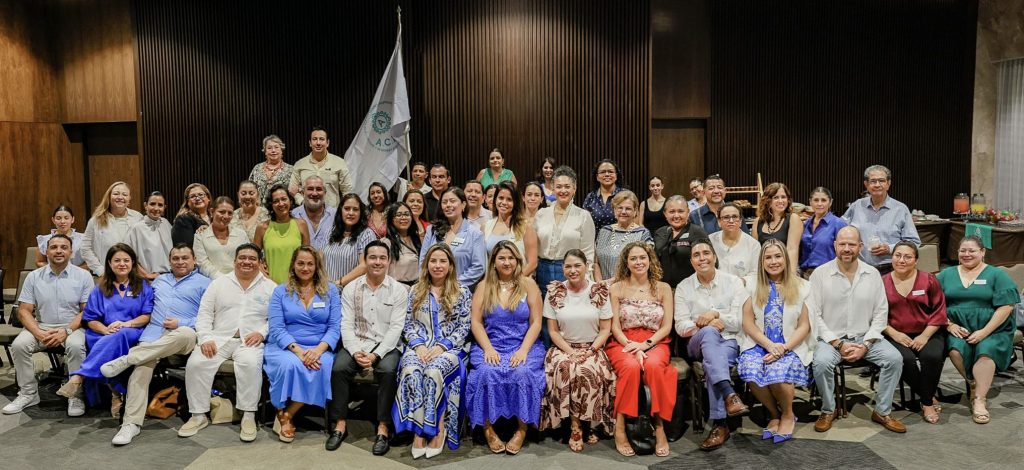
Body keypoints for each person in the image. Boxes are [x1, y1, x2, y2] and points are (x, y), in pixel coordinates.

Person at [101, 243, 211, 445]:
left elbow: (211, 316)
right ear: (169, 261)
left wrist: (182, 322)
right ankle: (130, 425)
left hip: (182, 337)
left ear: (194, 260)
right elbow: (141, 306)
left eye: (185, 258)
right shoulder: (160, 281)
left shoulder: (206, 283)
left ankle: (127, 359)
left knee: (184, 333)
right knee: (141, 370)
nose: (180, 262)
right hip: (153, 336)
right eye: (175, 258)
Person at [809, 226, 906, 433]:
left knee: (894, 359)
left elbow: (881, 313)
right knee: (821, 363)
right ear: (835, 245)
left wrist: (866, 345)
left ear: (860, 246)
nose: (847, 248)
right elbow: (814, 315)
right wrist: (838, 343)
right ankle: (828, 409)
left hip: (865, 337)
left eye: (851, 244)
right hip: (831, 339)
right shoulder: (820, 274)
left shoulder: (872, 274)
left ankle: (882, 411)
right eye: (842, 244)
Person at [179, 244, 275, 442]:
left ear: (260, 262)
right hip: (218, 338)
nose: (246, 262)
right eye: (242, 257)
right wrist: (205, 338)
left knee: (250, 364)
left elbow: (275, 318)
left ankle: (248, 415)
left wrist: (262, 333)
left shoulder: (270, 287)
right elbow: (204, 314)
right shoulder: (219, 283)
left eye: (252, 258)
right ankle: (198, 415)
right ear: (235, 261)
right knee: (196, 363)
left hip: (249, 341)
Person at [393, 244, 472, 459]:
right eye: (433, 261)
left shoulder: (462, 292)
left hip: (451, 349)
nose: (438, 265)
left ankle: (438, 429)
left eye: (442, 261)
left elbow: (464, 326)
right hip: (418, 346)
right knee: (411, 369)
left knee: (434, 371)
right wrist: (419, 345)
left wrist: (441, 346)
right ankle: (418, 432)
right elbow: (407, 324)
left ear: (450, 266)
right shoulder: (415, 290)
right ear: (426, 265)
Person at [57, 244, 154, 418]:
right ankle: (116, 392)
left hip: (132, 331)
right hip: (102, 333)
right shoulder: (100, 288)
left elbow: (146, 316)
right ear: (109, 263)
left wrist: (126, 324)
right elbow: (90, 319)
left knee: (121, 335)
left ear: (133, 262)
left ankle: (80, 376)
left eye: (126, 260)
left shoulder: (143, 286)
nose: (122, 264)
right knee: (112, 340)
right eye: (117, 260)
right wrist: (104, 329)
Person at [331, 241, 410, 453]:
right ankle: (340, 424)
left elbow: (396, 328)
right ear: (365, 260)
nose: (377, 262)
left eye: (382, 258)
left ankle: (383, 427)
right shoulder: (351, 288)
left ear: (389, 261)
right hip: (358, 342)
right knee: (339, 368)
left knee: (388, 370)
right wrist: (355, 351)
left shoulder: (399, 290)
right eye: (372, 257)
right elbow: (346, 325)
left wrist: (376, 355)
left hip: (387, 345)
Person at [467, 241, 545, 455]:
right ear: (493, 262)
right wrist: (488, 349)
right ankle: (488, 429)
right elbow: (476, 322)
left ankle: (521, 429)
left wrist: (523, 351)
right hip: (491, 344)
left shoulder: (528, 285)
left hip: (522, 344)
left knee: (522, 372)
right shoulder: (484, 286)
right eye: (502, 258)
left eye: (511, 258)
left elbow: (536, 323)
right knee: (486, 372)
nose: (507, 262)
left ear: (518, 261)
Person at [3, 235, 94, 417]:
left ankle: (75, 394)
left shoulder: (84, 276)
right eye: (54, 247)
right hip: (42, 326)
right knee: (19, 345)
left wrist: (66, 331)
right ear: (46, 251)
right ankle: (28, 393)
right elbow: (24, 311)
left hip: (72, 327)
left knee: (76, 346)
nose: (59, 251)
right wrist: (38, 333)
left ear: (71, 252)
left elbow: (86, 311)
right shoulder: (34, 277)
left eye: (63, 247)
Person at [674, 239, 751, 450]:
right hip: (696, 343)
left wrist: (716, 314)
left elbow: (740, 321)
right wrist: (705, 323)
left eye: (706, 253)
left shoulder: (733, 283)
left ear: (714, 257)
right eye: (696, 255)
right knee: (709, 333)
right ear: (691, 262)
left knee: (714, 362)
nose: (702, 258)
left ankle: (720, 424)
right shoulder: (683, 287)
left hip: (729, 341)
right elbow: (681, 326)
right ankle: (729, 393)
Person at [737, 239, 815, 444]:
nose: (773, 262)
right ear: (761, 262)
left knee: (779, 372)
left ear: (786, 259)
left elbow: (804, 326)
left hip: (790, 344)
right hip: (759, 343)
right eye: (768, 257)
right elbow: (747, 322)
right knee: (750, 369)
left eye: (778, 256)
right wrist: (769, 345)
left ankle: (788, 414)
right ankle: (774, 413)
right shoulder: (751, 285)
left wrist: (783, 348)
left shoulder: (804, 286)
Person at [539, 249, 615, 452]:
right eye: (568, 266)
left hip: (593, 347)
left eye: (577, 265)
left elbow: (605, 330)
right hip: (563, 347)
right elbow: (553, 332)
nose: (572, 270)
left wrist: (590, 351)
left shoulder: (599, 291)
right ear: (563, 268)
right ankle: (575, 425)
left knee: (586, 370)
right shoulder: (555, 291)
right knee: (567, 368)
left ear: (586, 267)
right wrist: (571, 353)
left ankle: (591, 423)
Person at [939, 236, 1020, 425]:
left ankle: (979, 400)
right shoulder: (945, 275)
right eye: (963, 251)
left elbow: (1007, 306)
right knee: (955, 350)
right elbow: (934, 304)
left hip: (994, 328)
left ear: (982, 252)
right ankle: (973, 382)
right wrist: (949, 324)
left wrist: (984, 332)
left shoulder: (996, 275)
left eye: (972, 250)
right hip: (957, 327)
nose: (966, 254)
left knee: (986, 351)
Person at [265, 246, 341, 443]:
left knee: (321, 365)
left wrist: (318, 350)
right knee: (289, 364)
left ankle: (286, 414)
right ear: (293, 265)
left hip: (319, 346)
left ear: (317, 266)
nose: (305, 268)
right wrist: (299, 352)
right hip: (285, 345)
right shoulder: (280, 291)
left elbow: (334, 327)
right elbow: (277, 328)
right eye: (300, 263)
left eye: (310, 264)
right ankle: (280, 407)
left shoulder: (331, 290)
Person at [606, 242, 676, 457]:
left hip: (655, 341)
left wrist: (645, 345)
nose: (639, 262)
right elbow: (614, 326)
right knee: (630, 367)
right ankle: (619, 427)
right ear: (626, 263)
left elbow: (667, 326)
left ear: (650, 260)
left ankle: (660, 426)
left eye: (642, 257)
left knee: (653, 366)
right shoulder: (616, 288)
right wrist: (632, 347)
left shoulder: (663, 288)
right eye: (633, 258)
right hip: (623, 341)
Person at [882, 241, 948, 424]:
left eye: (908, 257)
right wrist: (894, 334)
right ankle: (928, 398)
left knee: (932, 356)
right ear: (892, 258)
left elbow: (939, 311)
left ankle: (926, 402)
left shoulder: (929, 280)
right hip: (894, 334)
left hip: (928, 331)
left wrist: (925, 336)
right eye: (898, 255)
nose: (901, 260)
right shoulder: (881, 282)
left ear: (916, 260)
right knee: (904, 359)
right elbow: (875, 315)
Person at [842, 164, 921, 274]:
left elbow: (914, 242)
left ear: (888, 184)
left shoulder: (901, 209)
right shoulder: (857, 206)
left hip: (890, 269)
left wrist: (890, 248)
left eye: (882, 181)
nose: (877, 185)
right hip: (860, 268)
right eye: (873, 181)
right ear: (866, 184)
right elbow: (840, 229)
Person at [536, 167, 595, 300]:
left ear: (574, 189)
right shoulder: (541, 214)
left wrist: (585, 279)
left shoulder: (583, 216)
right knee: (545, 310)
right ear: (552, 189)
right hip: (542, 270)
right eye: (559, 187)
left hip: (571, 271)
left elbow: (588, 252)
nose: (563, 190)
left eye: (567, 187)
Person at [420, 187, 486, 288]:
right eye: (444, 202)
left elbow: (478, 267)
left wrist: (453, 285)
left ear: (463, 204)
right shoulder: (432, 230)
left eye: (452, 201)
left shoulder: (475, 234)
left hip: (460, 289)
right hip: (432, 288)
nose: (448, 205)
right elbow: (423, 261)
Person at [82, 181, 144, 276]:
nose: (120, 197)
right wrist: (100, 270)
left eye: (124, 194)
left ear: (129, 198)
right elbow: (85, 248)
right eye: (116, 194)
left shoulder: (138, 218)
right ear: (109, 196)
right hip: (105, 275)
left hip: (132, 275)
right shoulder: (96, 220)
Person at [254, 184, 310, 283]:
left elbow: (307, 257)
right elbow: (253, 256)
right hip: (270, 285)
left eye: (284, 199)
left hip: (297, 284)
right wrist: (261, 269)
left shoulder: (301, 225)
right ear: (271, 205)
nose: (281, 204)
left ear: (290, 201)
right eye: (276, 201)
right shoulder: (262, 228)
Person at [483, 181, 539, 277]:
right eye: (501, 198)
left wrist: (513, 282)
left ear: (515, 202)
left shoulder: (526, 227)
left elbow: (532, 263)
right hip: (492, 283)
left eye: (509, 199)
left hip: (518, 283)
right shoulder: (485, 226)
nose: (504, 202)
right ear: (495, 199)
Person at [288, 126, 354, 208]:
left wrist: (343, 210)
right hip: (305, 212)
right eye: (314, 139)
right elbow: (292, 189)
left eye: (322, 139)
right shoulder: (299, 164)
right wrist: (302, 202)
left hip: (332, 212)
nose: (318, 143)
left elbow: (347, 190)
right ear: (310, 143)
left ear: (327, 143)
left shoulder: (339, 163)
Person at [594, 190, 653, 281]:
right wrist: (600, 283)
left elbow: (642, 265)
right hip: (602, 286)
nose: (623, 212)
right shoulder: (604, 231)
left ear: (635, 211)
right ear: (614, 210)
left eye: (628, 208)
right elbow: (596, 262)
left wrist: (610, 283)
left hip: (629, 286)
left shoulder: (642, 233)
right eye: (620, 208)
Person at [654, 196, 709, 288]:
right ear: (665, 214)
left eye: (680, 211)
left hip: (690, 289)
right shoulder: (660, 232)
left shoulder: (697, 232)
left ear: (688, 212)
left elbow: (710, 263)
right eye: (672, 212)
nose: (676, 216)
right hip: (663, 289)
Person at [323, 193, 376, 288]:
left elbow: (364, 265)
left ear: (360, 213)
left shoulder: (366, 234)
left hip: (352, 291)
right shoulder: (329, 232)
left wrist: (338, 283)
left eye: (355, 209)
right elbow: (320, 259)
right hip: (327, 289)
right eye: (347, 209)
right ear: (340, 211)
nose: (351, 213)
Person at [194, 196, 248, 279]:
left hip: (240, 279)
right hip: (212, 280)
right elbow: (202, 263)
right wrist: (221, 279)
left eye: (230, 213)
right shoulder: (200, 236)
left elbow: (247, 257)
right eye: (222, 212)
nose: (226, 216)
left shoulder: (241, 234)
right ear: (212, 212)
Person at [753, 183, 802, 272]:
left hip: (786, 270)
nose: (780, 201)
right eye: (776, 197)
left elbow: (792, 250)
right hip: (764, 271)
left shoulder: (793, 219)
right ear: (767, 201)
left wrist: (790, 276)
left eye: (783, 197)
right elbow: (755, 253)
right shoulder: (757, 222)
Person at [800, 187, 847, 277]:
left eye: (823, 200)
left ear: (830, 202)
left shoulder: (838, 224)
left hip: (829, 275)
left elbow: (845, 252)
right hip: (804, 274)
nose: (819, 204)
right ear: (810, 202)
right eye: (816, 200)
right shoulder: (806, 224)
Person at [126, 192, 173, 280]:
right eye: (152, 204)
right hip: (149, 279)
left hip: (171, 276)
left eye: (160, 205)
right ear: (145, 205)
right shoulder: (136, 228)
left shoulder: (166, 223)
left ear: (164, 207)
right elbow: (127, 256)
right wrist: (146, 275)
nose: (156, 208)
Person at [709, 203, 761, 279]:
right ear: (719, 222)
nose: (731, 221)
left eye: (735, 217)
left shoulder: (753, 245)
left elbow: (755, 273)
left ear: (740, 221)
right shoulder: (710, 241)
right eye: (726, 217)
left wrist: (738, 283)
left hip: (742, 285)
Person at [291, 175, 337, 251]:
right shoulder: (293, 216)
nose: (314, 193)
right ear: (303, 193)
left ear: (325, 193)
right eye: (310, 189)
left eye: (319, 189)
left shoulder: (335, 215)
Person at [383, 202, 422, 285]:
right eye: (399, 215)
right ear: (391, 219)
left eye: (407, 214)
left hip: (416, 288)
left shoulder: (416, 239)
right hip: (397, 288)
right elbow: (383, 274)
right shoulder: (386, 242)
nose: (403, 218)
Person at [248, 134, 294, 204]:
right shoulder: (257, 168)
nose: (273, 150)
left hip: (281, 207)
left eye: (276, 147)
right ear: (265, 151)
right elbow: (249, 189)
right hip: (258, 209)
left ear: (281, 150)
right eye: (269, 148)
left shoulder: (291, 170)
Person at [582, 159, 624, 231]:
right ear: (597, 177)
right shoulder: (590, 197)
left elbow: (634, 224)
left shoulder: (626, 195)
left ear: (616, 175)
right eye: (602, 172)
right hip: (595, 238)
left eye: (610, 172)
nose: (607, 174)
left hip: (621, 237)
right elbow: (584, 224)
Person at [171, 183, 212, 247]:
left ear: (208, 198)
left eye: (201, 195)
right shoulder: (183, 220)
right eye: (193, 196)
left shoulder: (215, 217)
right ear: (187, 202)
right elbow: (185, 247)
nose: (197, 198)